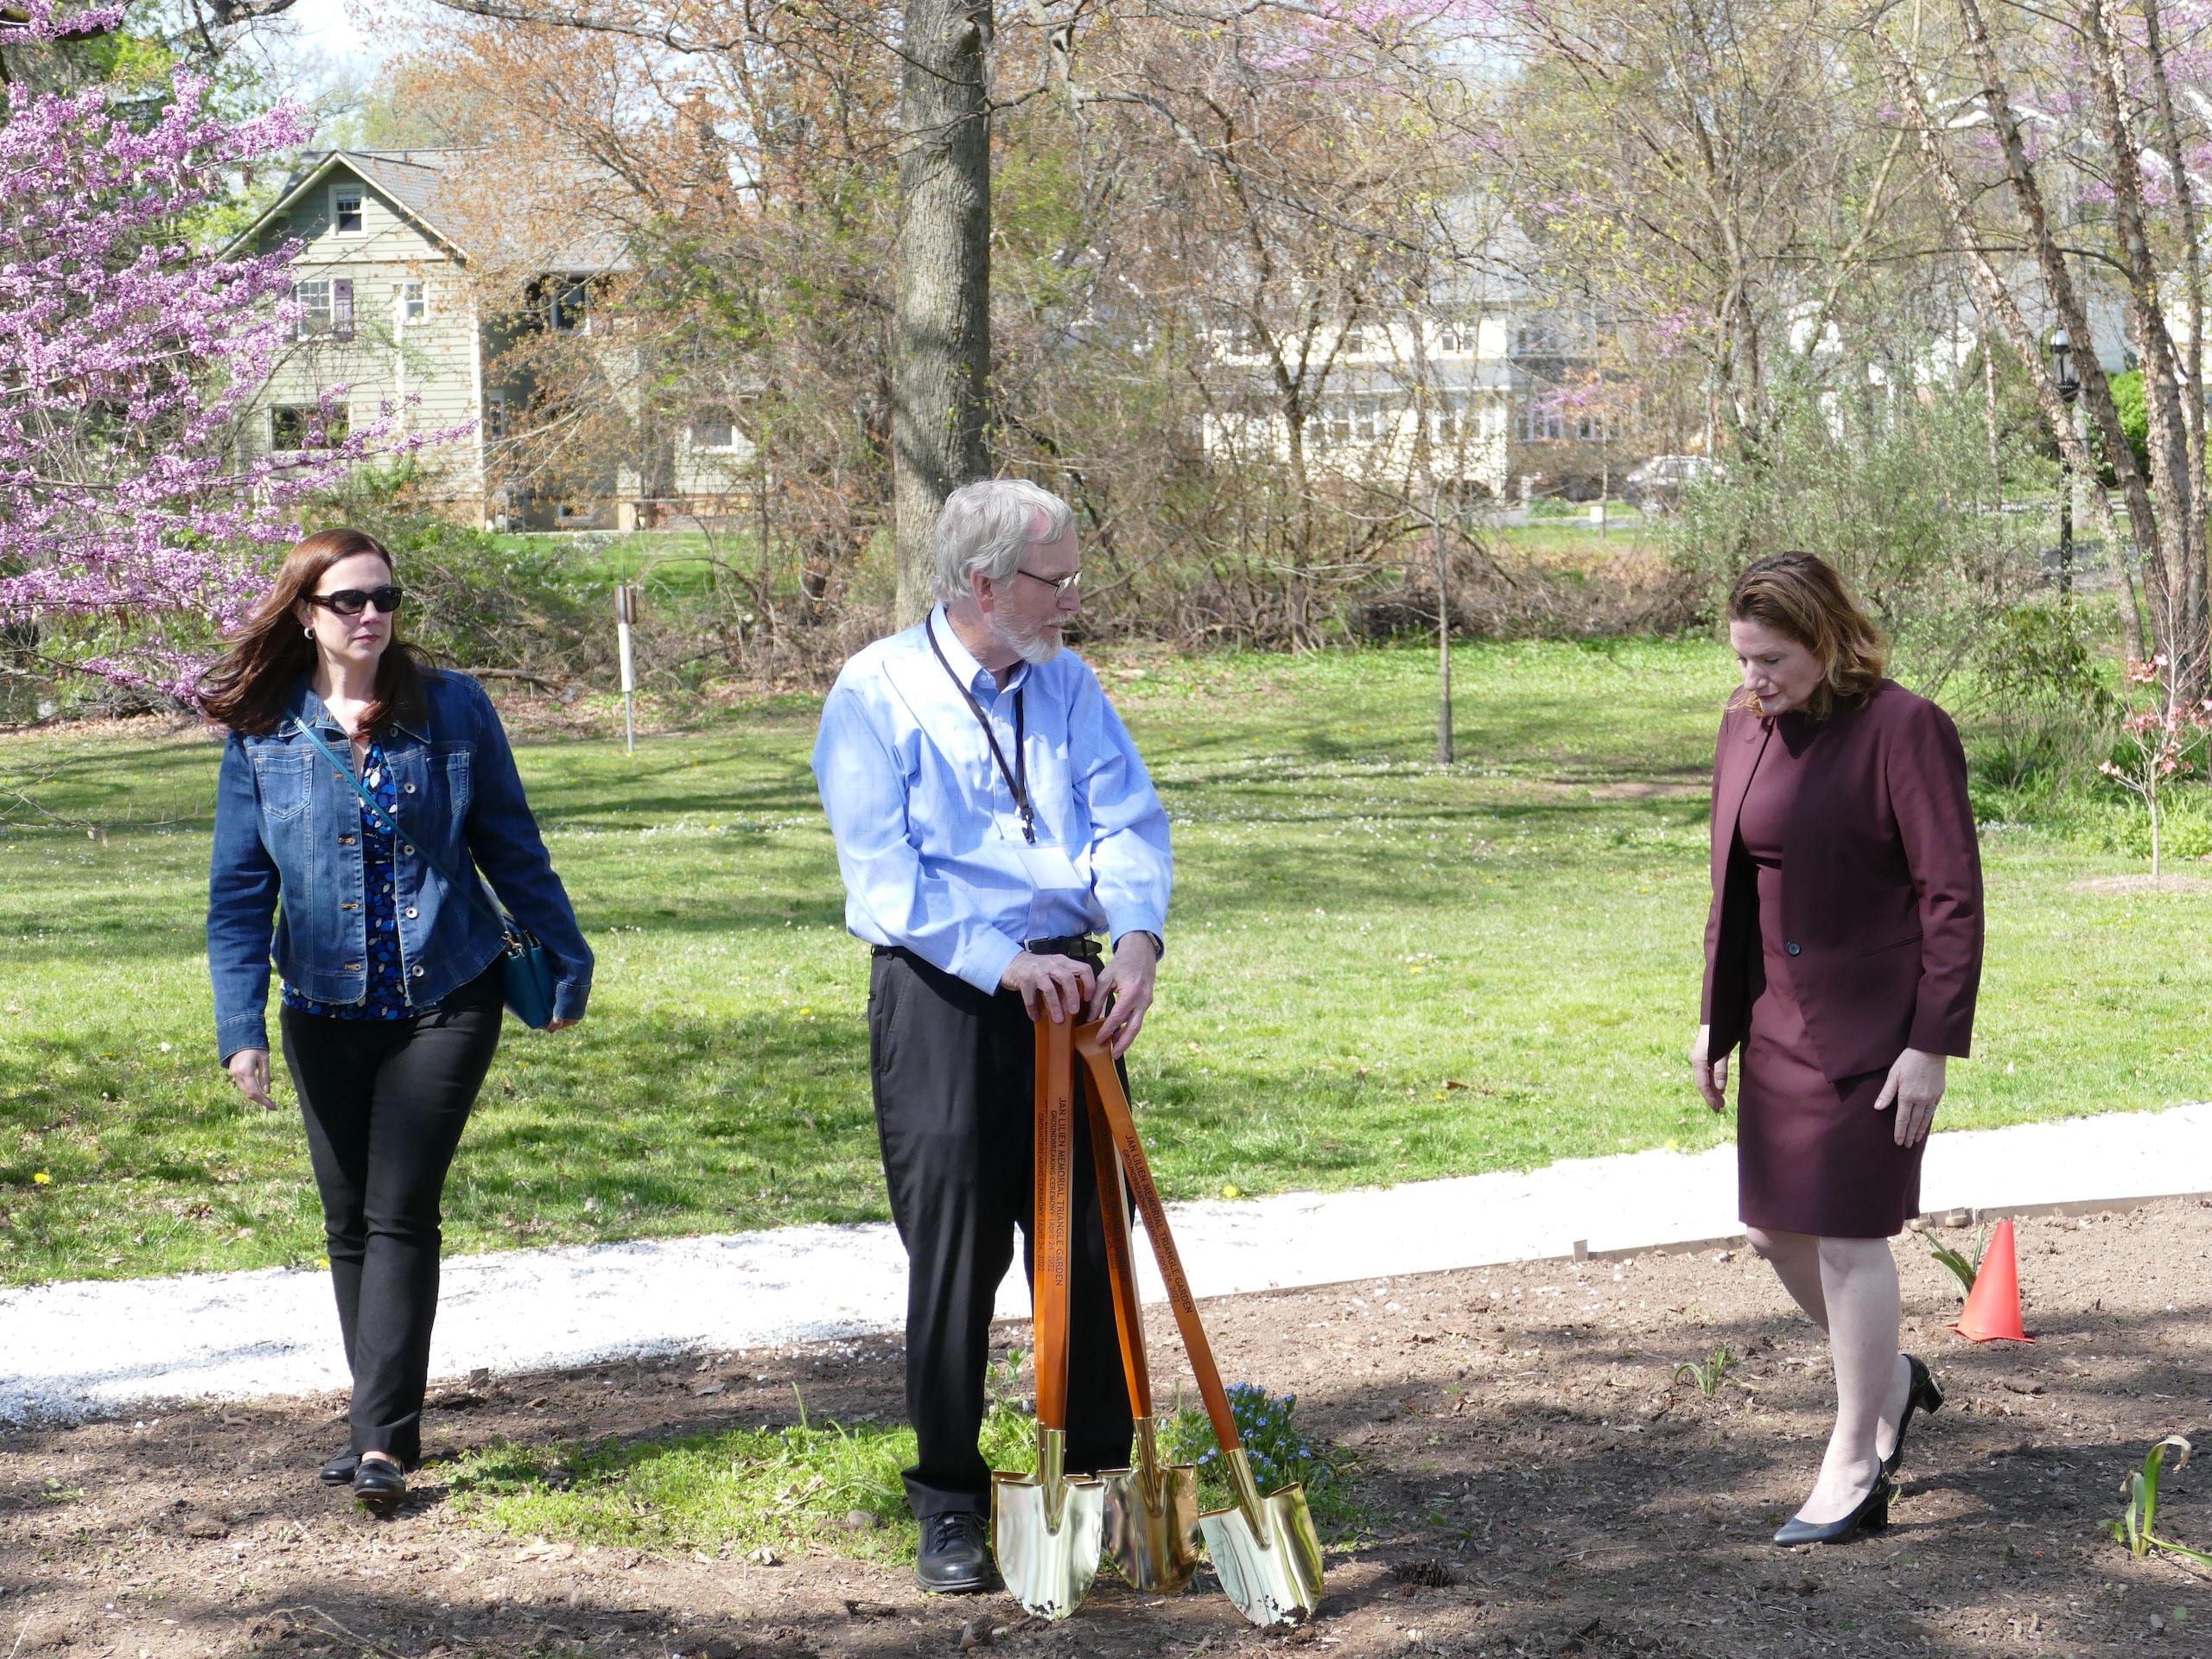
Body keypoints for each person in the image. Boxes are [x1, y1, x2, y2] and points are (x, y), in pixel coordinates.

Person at [812, 478, 1172, 1592]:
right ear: (982, 584)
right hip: (949, 997)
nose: (1073, 601)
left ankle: (1103, 1488)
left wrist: (1140, 942)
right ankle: (950, 1503)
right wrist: (1002, 960)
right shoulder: (875, 691)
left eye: (1072, 578)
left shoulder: (1068, 685)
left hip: (1078, 994)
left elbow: (1127, 818)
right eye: (1054, 581)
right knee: (956, 1260)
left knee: (1089, 1251)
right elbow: (882, 876)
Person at [202, 527, 593, 1515]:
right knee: (346, 1221)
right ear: (307, 613)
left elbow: (510, 839)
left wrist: (565, 958)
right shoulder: (265, 729)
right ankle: (388, 1421)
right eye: (348, 601)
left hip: (446, 996)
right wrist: (238, 1023)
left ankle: (376, 1443)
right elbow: (240, 892)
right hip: (322, 1005)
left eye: (384, 598)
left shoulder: (450, 707)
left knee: (399, 1209)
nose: (371, 615)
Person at [1689, 552, 1982, 1547]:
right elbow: (1732, 890)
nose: (1753, 679)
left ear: (1824, 640)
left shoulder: (1906, 728)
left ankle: (1856, 1458)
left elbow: (1951, 898)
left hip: (1872, 1034)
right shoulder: (1745, 727)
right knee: (1775, 1234)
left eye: (1771, 659)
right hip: (1773, 1022)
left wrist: (1930, 1045)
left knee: (1855, 1242)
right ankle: (1892, 1377)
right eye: (1742, 659)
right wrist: (1715, 1020)